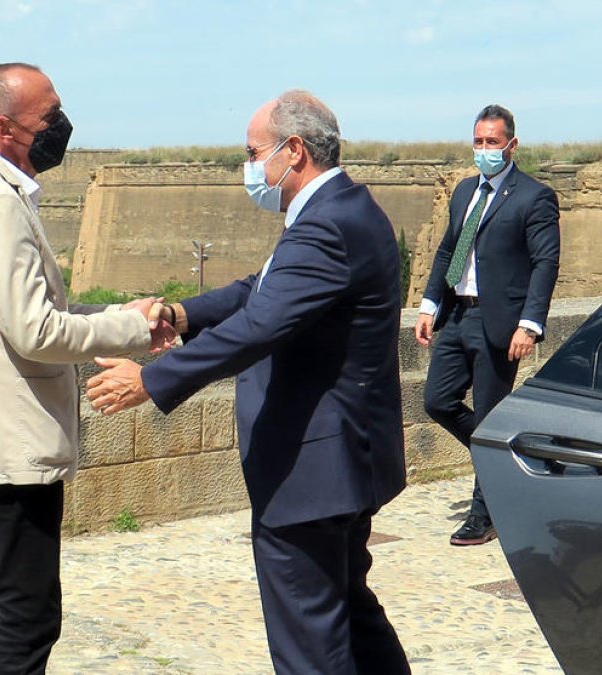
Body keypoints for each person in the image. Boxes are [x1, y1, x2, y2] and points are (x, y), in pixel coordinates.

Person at [85, 90, 410, 675]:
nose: (249, 167)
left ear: (294, 149)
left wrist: (153, 380)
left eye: (252, 152)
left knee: (310, 640)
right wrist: (180, 316)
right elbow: (255, 292)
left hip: (311, 472)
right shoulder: (343, 209)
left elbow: (260, 326)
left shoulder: (327, 224)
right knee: (351, 614)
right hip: (345, 459)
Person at [0, 63, 173, 675]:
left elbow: (35, 312)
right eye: (49, 115)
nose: (61, 125)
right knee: (28, 613)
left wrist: (123, 313)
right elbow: (36, 332)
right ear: (5, 126)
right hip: (15, 436)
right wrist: (136, 329)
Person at [414, 104, 560, 547]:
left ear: (511, 145)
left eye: (492, 143)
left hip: (499, 322)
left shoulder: (534, 197)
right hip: (457, 314)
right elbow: (446, 252)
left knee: (492, 413)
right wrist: (429, 304)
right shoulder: (463, 192)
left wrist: (530, 323)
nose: (484, 150)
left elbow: (545, 262)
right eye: (478, 142)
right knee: (438, 401)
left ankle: (486, 512)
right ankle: (504, 458)